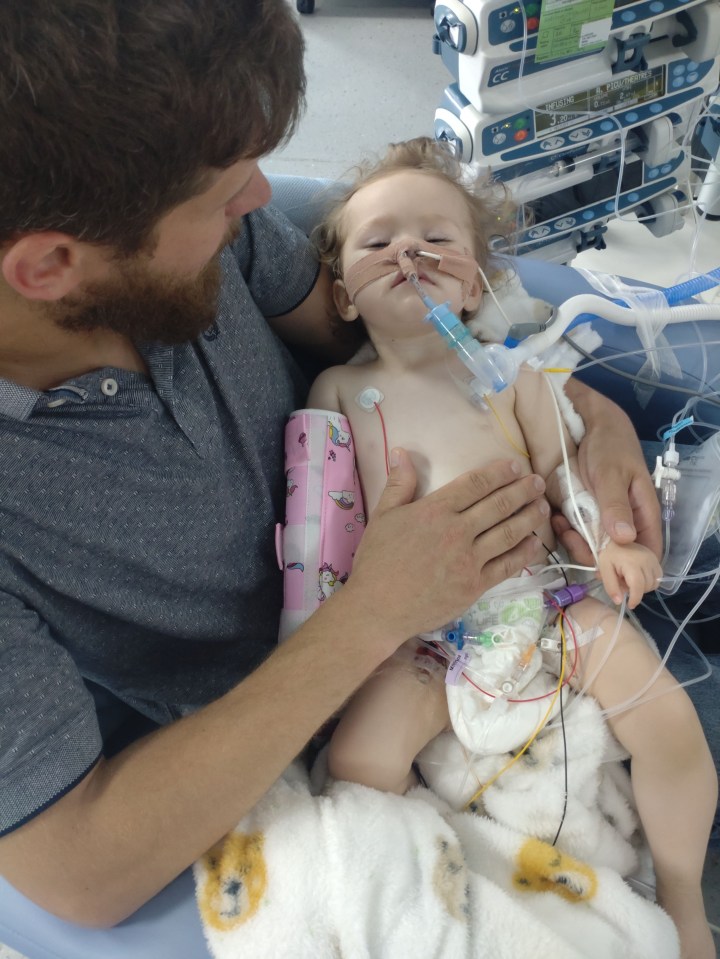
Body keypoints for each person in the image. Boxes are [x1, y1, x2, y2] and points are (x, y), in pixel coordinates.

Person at [0, 0, 678, 936]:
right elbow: (79, 871)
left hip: (542, 585)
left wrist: (578, 411)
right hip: (334, 703)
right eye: (225, 194)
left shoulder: (181, 216)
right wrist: (373, 614)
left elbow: (397, 328)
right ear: (49, 266)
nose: (262, 204)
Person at [305, 137, 717, 959]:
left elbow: (569, 478)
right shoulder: (338, 392)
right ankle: (436, 900)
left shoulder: (514, 375)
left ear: (479, 283)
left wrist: (610, 544)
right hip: (421, 630)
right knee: (357, 761)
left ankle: (681, 899)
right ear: (344, 295)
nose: (409, 251)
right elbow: (327, 517)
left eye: (437, 239)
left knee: (671, 725)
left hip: (548, 605)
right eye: (378, 241)